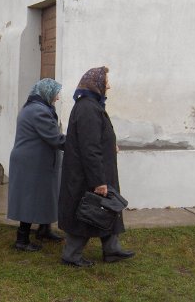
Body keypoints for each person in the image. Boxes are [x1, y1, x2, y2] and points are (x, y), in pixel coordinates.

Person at [58, 66, 135, 267]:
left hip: (98, 169)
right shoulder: (88, 108)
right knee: (87, 210)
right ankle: (71, 255)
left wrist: (110, 144)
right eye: (106, 80)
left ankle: (112, 249)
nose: (108, 85)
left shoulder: (92, 105)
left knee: (107, 207)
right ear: (96, 83)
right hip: (87, 174)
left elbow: (95, 138)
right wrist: (98, 181)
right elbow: (89, 148)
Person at [7, 78, 66, 252]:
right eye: (56, 94)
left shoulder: (38, 107)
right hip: (30, 163)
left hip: (38, 160)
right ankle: (22, 239)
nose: (57, 98)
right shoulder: (38, 111)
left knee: (46, 194)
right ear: (47, 93)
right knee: (29, 198)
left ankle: (44, 229)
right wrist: (80, 143)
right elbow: (55, 138)